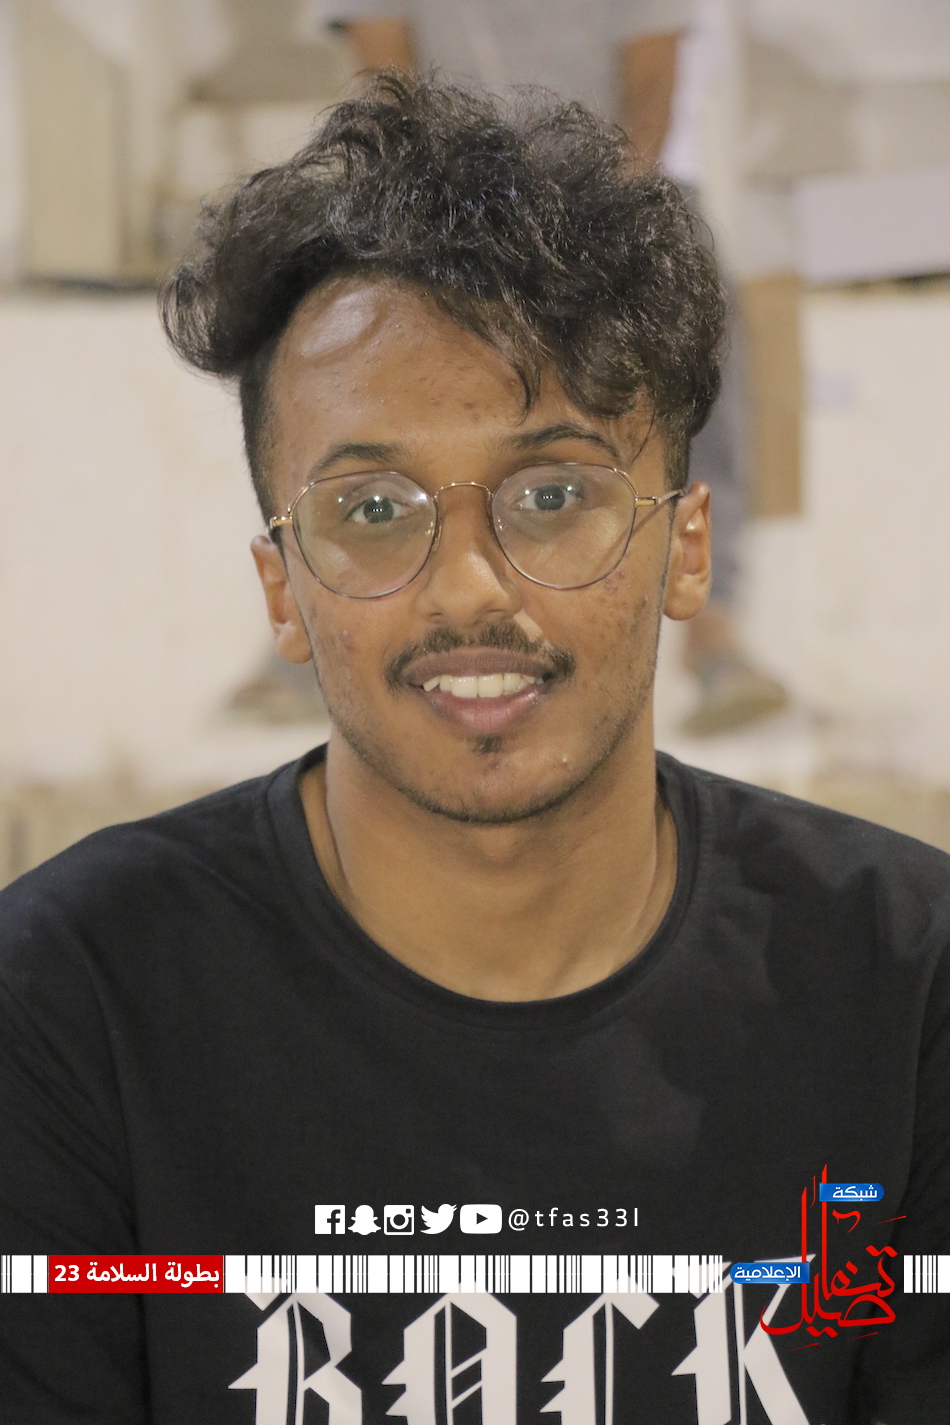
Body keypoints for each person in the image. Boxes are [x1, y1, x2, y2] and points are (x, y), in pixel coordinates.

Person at [0, 74, 945, 1425]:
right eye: (371, 508)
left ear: (686, 547)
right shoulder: (68, 998)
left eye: (550, 492)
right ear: (282, 587)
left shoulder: (905, 987)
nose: (466, 589)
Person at [326, 0, 790, 736]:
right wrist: (460, 226)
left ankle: (713, 626)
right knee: (331, 320)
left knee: (695, 286)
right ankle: (330, 620)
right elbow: (385, 90)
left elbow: (651, 89)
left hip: (601, 199)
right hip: (446, 203)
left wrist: (588, 230)